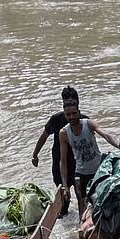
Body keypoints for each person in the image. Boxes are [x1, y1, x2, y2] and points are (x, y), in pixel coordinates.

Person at [57, 103, 120, 214]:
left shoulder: (88, 124)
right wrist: (65, 186)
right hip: (81, 172)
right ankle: (82, 225)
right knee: (82, 202)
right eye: (68, 114)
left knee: (104, 199)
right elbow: (63, 161)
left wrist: (119, 145)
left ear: (79, 112)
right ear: (65, 115)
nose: (71, 117)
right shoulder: (64, 133)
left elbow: (106, 135)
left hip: (99, 169)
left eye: (74, 113)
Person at [31, 85, 81, 216]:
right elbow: (44, 136)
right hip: (60, 160)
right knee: (62, 191)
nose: (71, 116)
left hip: (77, 160)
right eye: (66, 102)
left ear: (77, 103)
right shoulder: (56, 119)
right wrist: (35, 154)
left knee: (80, 190)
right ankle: (64, 214)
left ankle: (80, 217)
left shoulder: (83, 119)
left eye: (72, 102)